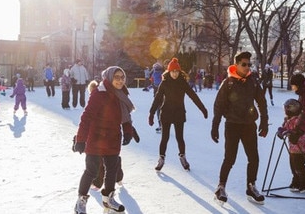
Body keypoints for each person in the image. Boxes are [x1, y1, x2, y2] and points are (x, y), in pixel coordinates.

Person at [72, 66, 138, 214]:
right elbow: (86, 117)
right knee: (92, 170)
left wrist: (127, 131)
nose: (120, 80)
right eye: (117, 77)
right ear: (109, 77)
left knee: (112, 170)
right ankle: (80, 202)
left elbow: (126, 115)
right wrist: (81, 139)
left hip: (113, 138)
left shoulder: (121, 94)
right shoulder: (99, 93)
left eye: (122, 77)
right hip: (95, 138)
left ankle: (108, 198)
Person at [211, 51, 269, 205]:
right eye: (244, 64)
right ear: (236, 64)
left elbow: (262, 102)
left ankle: (251, 186)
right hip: (232, 125)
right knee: (230, 158)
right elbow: (219, 105)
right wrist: (215, 126)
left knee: (254, 158)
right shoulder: (228, 82)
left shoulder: (253, 81)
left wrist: (264, 122)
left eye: (249, 64)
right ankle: (221, 187)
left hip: (249, 125)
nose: (247, 67)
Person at [148, 58, 208, 171]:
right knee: (164, 138)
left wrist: (203, 108)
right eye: (173, 71)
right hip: (166, 113)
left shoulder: (182, 83)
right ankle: (161, 159)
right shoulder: (164, 83)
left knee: (180, 138)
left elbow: (193, 96)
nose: (175, 73)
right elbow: (157, 99)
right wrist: (151, 114)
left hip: (179, 114)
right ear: (169, 71)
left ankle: (182, 157)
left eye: (176, 71)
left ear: (179, 72)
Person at [277, 98, 305, 193]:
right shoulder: (288, 119)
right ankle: (297, 182)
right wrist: (281, 131)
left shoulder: (299, 120)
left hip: (301, 147)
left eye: (286, 109)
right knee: (293, 166)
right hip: (293, 148)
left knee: (299, 166)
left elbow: (297, 131)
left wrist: (289, 132)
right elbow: (285, 127)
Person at [150, 61, 164, 132]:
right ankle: (163, 125)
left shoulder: (153, 74)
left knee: (159, 110)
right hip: (163, 95)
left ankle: (161, 125)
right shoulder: (163, 74)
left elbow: (152, 82)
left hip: (157, 95)